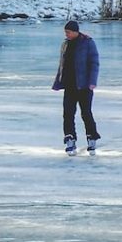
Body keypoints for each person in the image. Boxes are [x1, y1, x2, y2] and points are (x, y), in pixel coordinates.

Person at [51, 20, 101, 155]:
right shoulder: (65, 45)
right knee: (68, 114)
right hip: (69, 85)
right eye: (65, 32)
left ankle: (92, 138)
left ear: (75, 31)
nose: (66, 34)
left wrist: (92, 82)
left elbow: (94, 63)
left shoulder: (88, 43)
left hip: (84, 86)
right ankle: (70, 139)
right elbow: (62, 65)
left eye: (68, 32)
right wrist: (58, 81)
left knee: (86, 113)